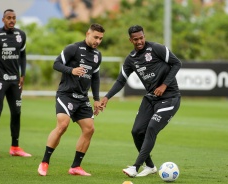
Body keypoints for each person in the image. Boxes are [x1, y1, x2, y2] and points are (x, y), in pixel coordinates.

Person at [100, 25, 181, 177]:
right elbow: (120, 80)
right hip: (151, 98)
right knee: (136, 131)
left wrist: (164, 85)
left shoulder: (157, 49)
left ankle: (135, 167)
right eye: (135, 39)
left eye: (141, 38)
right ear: (130, 40)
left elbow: (177, 63)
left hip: (170, 98)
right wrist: (107, 97)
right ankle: (150, 166)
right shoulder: (131, 59)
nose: (139, 41)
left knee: (151, 128)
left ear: (144, 36)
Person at [37, 23, 105, 176]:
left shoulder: (97, 55)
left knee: (89, 129)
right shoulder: (73, 48)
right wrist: (71, 70)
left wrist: (96, 99)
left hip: (82, 98)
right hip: (66, 94)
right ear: (88, 34)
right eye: (95, 37)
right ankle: (44, 162)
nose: (97, 41)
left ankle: (75, 167)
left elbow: (95, 78)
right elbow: (56, 64)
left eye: (100, 39)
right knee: (62, 125)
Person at [0, 9, 31, 158]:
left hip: (15, 81)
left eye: (14, 18)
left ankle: (15, 147)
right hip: (0, 81)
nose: (12, 20)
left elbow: (22, 56)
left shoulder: (20, 35)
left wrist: (23, 75)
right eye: (8, 18)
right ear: (3, 19)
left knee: (16, 112)